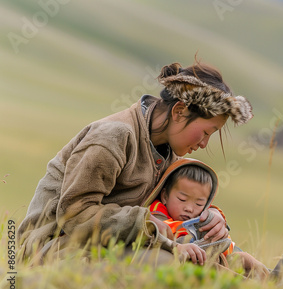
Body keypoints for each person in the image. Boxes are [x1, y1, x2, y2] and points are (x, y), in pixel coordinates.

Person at [18, 60, 253, 265]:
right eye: (205, 132)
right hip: (52, 246)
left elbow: (167, 205)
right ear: (179, 111)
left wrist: (210, 218)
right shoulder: (113, 138)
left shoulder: (166, 150)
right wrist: (145, 224)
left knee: (231, 258)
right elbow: (74, 214)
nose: (204, 144)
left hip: (113, 242)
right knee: (169, 263)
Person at [148, 158, 238, 266]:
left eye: (199, 204)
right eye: (182, 199)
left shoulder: (204, 217)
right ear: (164, 196)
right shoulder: (156, 212)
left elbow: (226, 244)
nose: (189, 208)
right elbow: (164, 230)